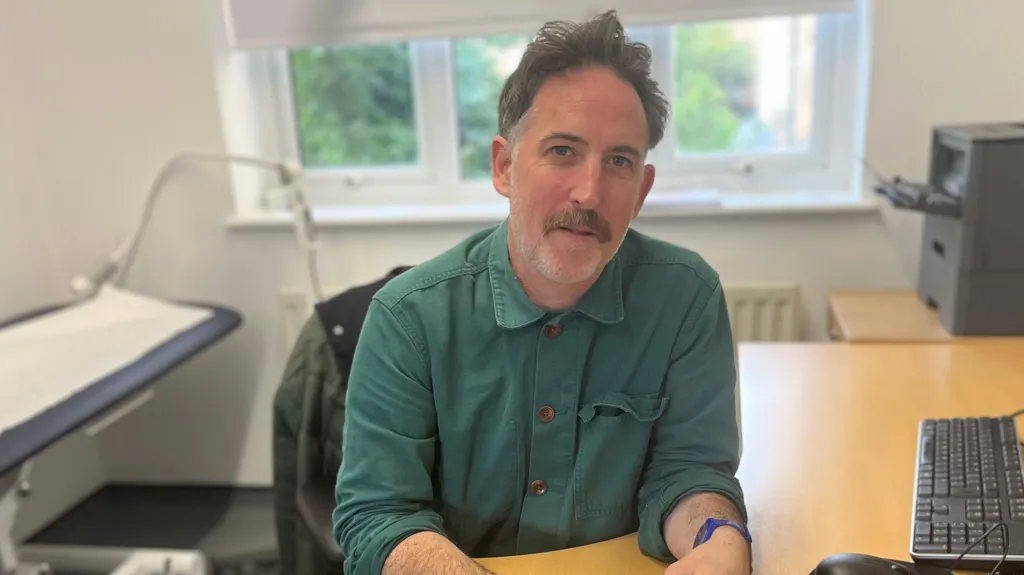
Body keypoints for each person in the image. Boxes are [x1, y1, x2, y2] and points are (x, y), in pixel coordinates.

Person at [332, 10, 750, 575]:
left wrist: (718, 535)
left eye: (619, 161)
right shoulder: (407, 319)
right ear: (505, 166)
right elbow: (379, 515)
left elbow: (690, 470)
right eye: (562, 151)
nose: (590, 190)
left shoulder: (686, 298)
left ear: (642, 190)